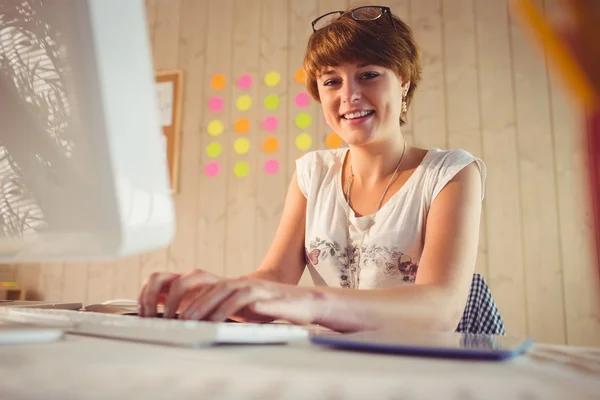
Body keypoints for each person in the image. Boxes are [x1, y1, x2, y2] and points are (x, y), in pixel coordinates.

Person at [138, 5, 485, 333]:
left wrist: (309, 302)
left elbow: (440, 308)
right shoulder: (313, 171)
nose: (349, 95)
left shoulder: (450, 173)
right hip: (332, 367)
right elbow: (275, 276)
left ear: (405, 82)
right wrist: (217, 292)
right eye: (331, 81)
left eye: (368, 75)